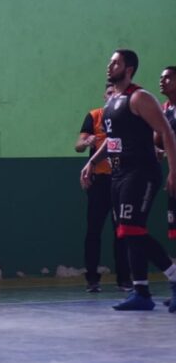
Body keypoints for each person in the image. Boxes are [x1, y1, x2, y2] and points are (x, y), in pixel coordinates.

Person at [80, 49, 176, 311]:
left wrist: (173, 171)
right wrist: (92, 162)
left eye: (115, 63)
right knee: (128, 231)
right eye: (110, 62)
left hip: (141, 173)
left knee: (131, 230)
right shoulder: (112, 102)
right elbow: (112, 141)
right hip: (119, 175)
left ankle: (173, 277)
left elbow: (166, 132)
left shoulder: (140, 97)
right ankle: (141, 292)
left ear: (129, 69)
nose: (109, 66)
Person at [75, 83, 131, 293]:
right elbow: (78, 146)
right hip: (99, 183)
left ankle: (124, 279)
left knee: (122, 231)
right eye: (109, 93)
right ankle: (92, 279)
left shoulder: (127, 117)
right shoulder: (94, 116)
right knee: (94, 231)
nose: (112, 96)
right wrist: (86, 142)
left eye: (116, 93)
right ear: (104, 96)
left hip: (121, 180)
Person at [157, 65, 176, 242]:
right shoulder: (163, 109)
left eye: (167, 77)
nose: (162, 81)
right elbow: (155, 139)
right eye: (161, 77)